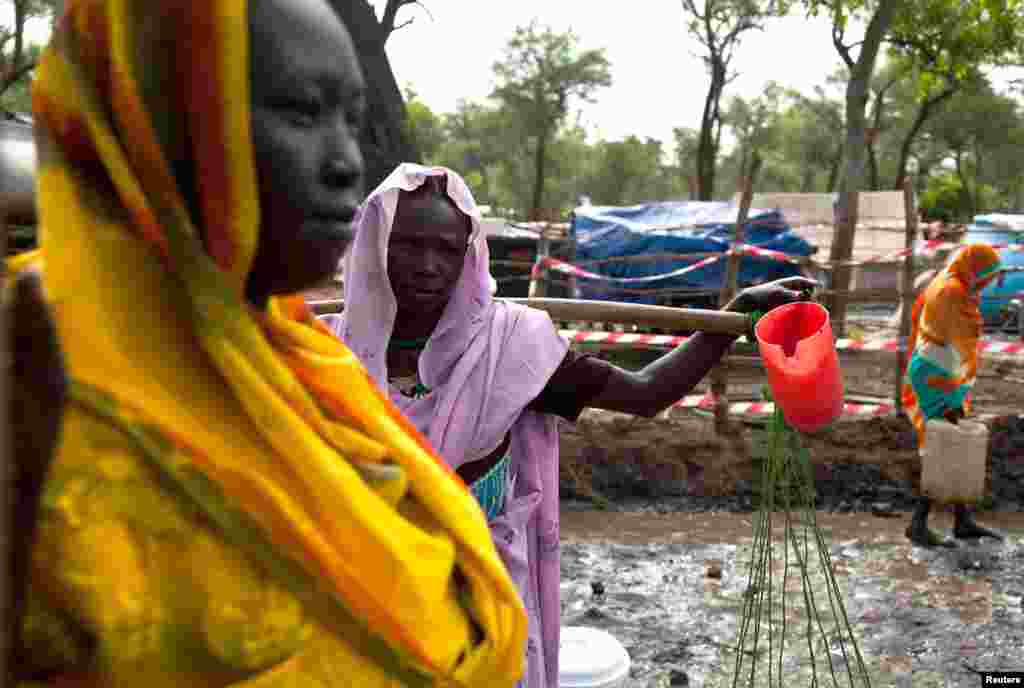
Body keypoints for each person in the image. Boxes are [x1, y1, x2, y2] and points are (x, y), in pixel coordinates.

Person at [5, 1, 529, 685]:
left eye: (353, 117)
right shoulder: (46, 369)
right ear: (161, 120)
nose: (348, 161)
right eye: (303, 112)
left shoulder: (305, 362)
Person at [324, 163, 818, 688]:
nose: (428, 265)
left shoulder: (510, 347)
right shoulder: (323, 355)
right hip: (364, 599)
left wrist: (734, 316)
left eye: (446, 249)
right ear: (374, 245)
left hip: (477, 612)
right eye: (408, 244)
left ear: (467, 256)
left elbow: (646, 393)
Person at [901, 244, 1006, 548]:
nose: (988, 283)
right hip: (937, 375)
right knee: (944, 444)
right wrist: (960, 379)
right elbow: (959, 337)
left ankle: (960, 520)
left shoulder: (951, 283)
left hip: (940, 370)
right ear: (974, 270)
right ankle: (918, 524)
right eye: (987, 276)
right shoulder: (951, 293)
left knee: (952, 440)